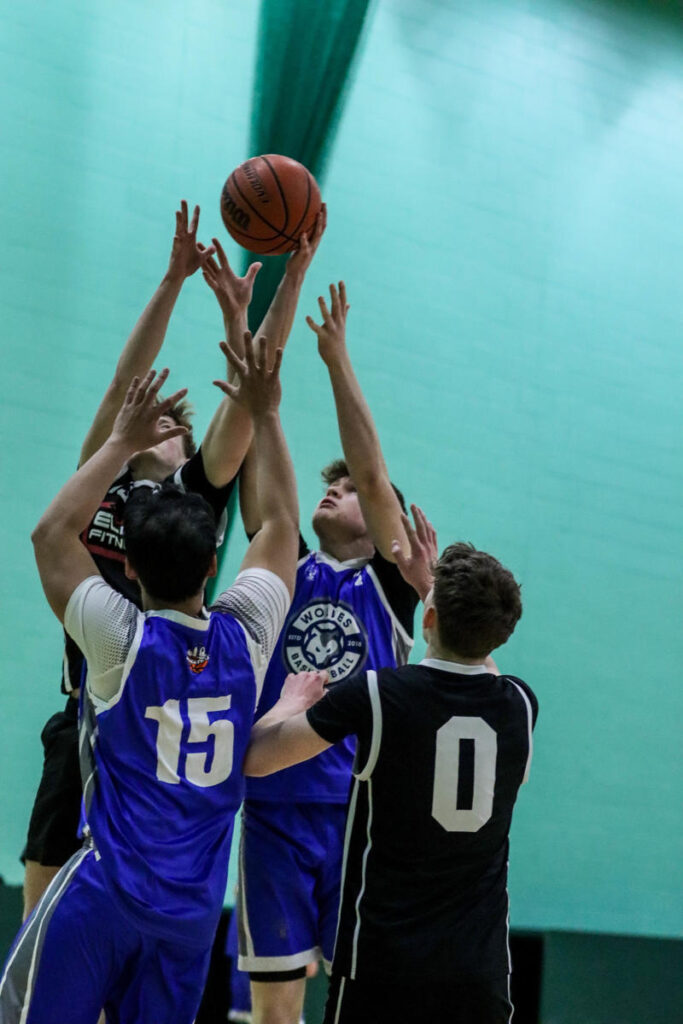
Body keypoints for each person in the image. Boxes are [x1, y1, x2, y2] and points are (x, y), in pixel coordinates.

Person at [0, 334, 303, 1024]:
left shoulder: (118, 641)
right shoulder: (248, 638)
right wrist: (268, 413)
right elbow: (279, 525)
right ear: (212, 567)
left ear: (128, 569)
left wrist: (117, 443)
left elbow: (51, 536)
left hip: (105, 896)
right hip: (190, 919)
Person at [21, 201, 259, 919]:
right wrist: (173, 279)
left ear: (186, 450)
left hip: (156, 718)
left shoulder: (193, 499)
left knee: (130, 912)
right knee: (41, 907)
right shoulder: (103, 481)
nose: (161, 424)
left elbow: (243, 412)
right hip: (83, 713)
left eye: (174, 424)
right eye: (149, 418)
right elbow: (125, 380)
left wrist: (236, 324)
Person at [206, 269, 424, 1024]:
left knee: (367, 1000)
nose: (336, 490)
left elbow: (373, 471)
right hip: (271, 804)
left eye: (350, 490)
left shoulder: (391, 585)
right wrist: (261, 395)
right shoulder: (285, 566)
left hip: (359, 810)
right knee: (274, 1010)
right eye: (330, 486)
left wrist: (336, 360)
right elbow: (265, 475)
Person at [244, 512, 537, 1024]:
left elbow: (256, 759)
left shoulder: (381, 694)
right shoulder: (520, 705)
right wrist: (430, 590)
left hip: (383, 967)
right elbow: (480, 662)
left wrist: (289, 702)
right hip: (478, 973)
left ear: (428, 618)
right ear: (501, 635)